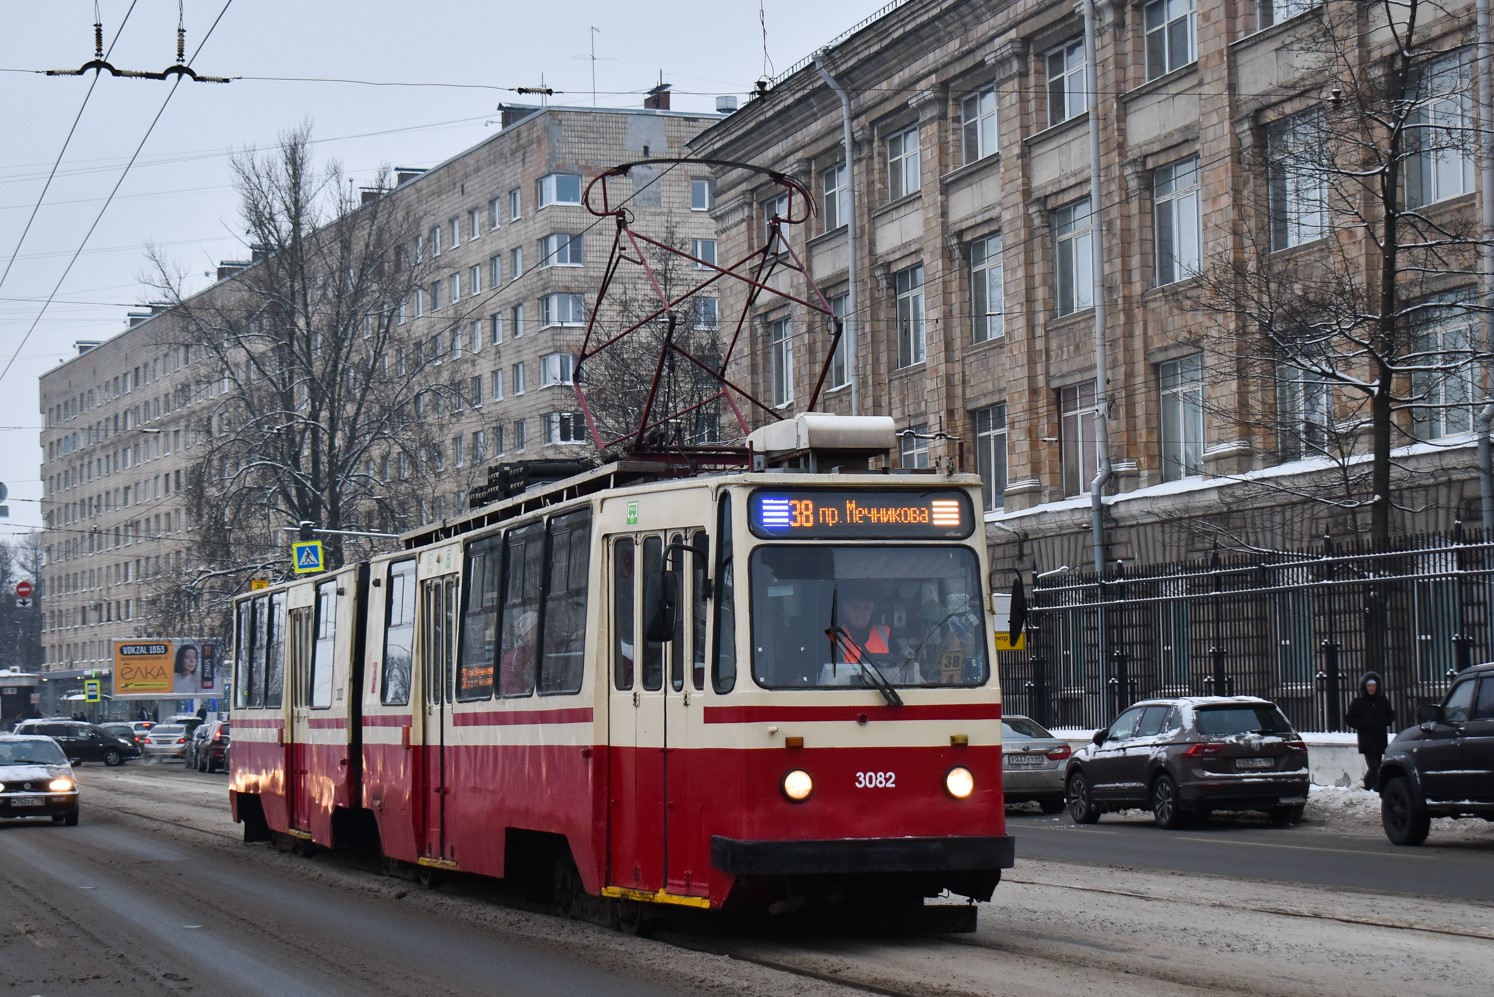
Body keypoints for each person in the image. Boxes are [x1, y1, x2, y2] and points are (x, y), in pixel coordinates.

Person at [1346, 671, 1396, 790]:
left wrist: (1384, 721)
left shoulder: (1382, 700)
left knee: (1377, 764)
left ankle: (1367, 784)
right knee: (1374, 766)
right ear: (1365, 687)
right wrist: (1362, 724)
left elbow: (1391, 715)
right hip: (1366, 740)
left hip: (1379, 738)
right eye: (1369, 686)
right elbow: (1349, 719)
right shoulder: (1358, 702)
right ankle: (1377, 787)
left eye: (1373, 686)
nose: (1371, 688)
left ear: (1377, 686)